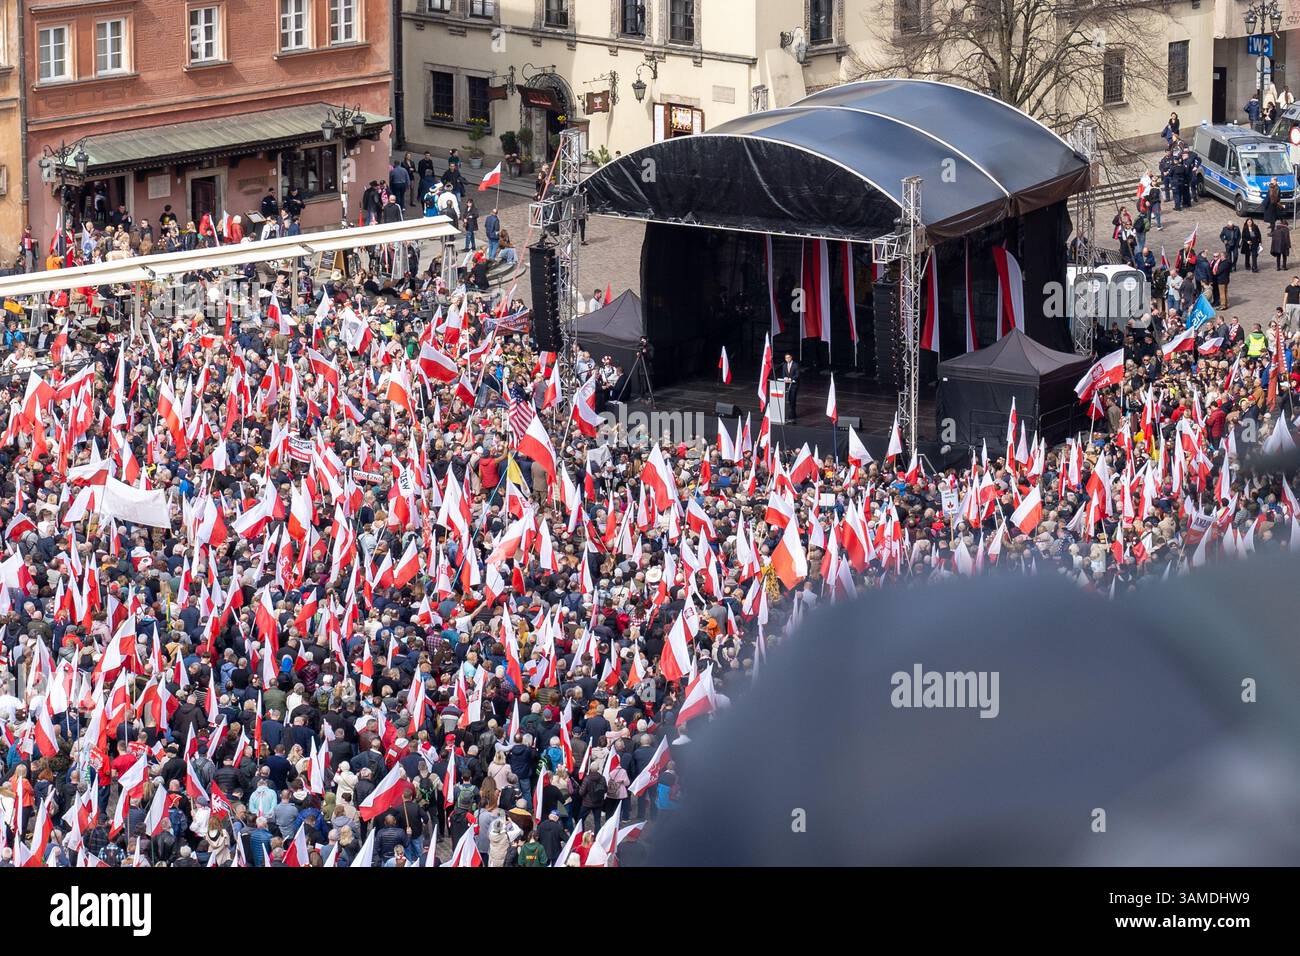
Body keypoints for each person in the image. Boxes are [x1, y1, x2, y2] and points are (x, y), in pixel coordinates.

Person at [780, 352, 799, 418]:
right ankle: (791, 413)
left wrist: (791, 379)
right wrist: (785, 378)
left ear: (791, 357)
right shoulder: (784, 365)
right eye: (786, 358)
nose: (787, 359)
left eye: (788, 357)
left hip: (794, 385)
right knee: (789, 399)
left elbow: (797, 375)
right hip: (787, 385)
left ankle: (793, 414)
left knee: (792, 399)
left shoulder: (795, 365)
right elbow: (783, 374)